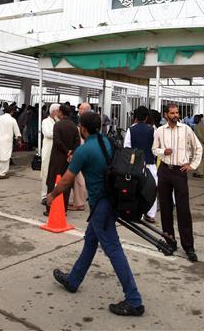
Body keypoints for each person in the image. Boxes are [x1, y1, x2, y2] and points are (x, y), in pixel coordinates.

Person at [48, 110, 145, 317]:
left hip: (101, 205)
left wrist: (52, 195)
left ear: (82, 128)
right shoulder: (106, 141)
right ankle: (73, 280)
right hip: (111, 199)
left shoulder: (85, 150)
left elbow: (66, 181)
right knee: (91, 240)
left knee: (113, 248)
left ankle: (134, 300)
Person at [152, 103, 203, 261]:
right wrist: (162, 151)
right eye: (172, 113)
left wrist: (192, 165)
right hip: (165, 171)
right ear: (166, 115)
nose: (175, 115)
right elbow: (154, 149)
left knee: (183, 210)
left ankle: (189, 247)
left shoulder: (186, 129)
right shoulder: (160, 131)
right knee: (166, 209)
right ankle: (170, 243)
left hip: (180, 172)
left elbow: (198, 148)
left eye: (177, 113)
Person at [123, 106, 158, 223]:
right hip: (150, 163)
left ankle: (137, 212)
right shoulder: (152, 130)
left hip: (136, 165)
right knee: (152, 189)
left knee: (136, 189)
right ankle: (151, 214)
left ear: (136, 117)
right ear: (147, 117)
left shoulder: (131, 130)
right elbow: (156, 148)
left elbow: (126, 147)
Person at [45, 104, 80, 212]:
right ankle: (63, 208)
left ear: (61, 112)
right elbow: (77, 142)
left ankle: (50, 208)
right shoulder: (74, 126)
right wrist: (71, 152)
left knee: (52, 181)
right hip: (68, 160)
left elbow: (57, 142)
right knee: (66, 183)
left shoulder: (58, 125)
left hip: (57, 158)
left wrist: (66, 151)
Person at [0, 103, 23, 179]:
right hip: (6, 142)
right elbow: (17, 133)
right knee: (5, 157)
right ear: (12, 112)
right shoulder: (12, 120)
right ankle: (2, 174)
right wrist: (19, 141)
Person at [39, 103, 60, 202]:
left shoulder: (58, 122)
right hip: (48, 151)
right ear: (54, 112)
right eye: (59, 111)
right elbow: (47, 133)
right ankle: (44, 196)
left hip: (56, 151)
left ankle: (53, 194)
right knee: (46, 172)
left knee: (55, 173)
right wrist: (59, 133)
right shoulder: (45, 121)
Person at [191, 113, 204, 178]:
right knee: (200, 159)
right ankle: (199, 172)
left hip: (199, 144)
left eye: (196, 118)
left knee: (199, 159)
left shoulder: (197, 126)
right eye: (194, 118)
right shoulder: (203, 125)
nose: (195, 120)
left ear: (199, 119)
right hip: (203, 144)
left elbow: (200, 136)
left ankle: (200, 173)